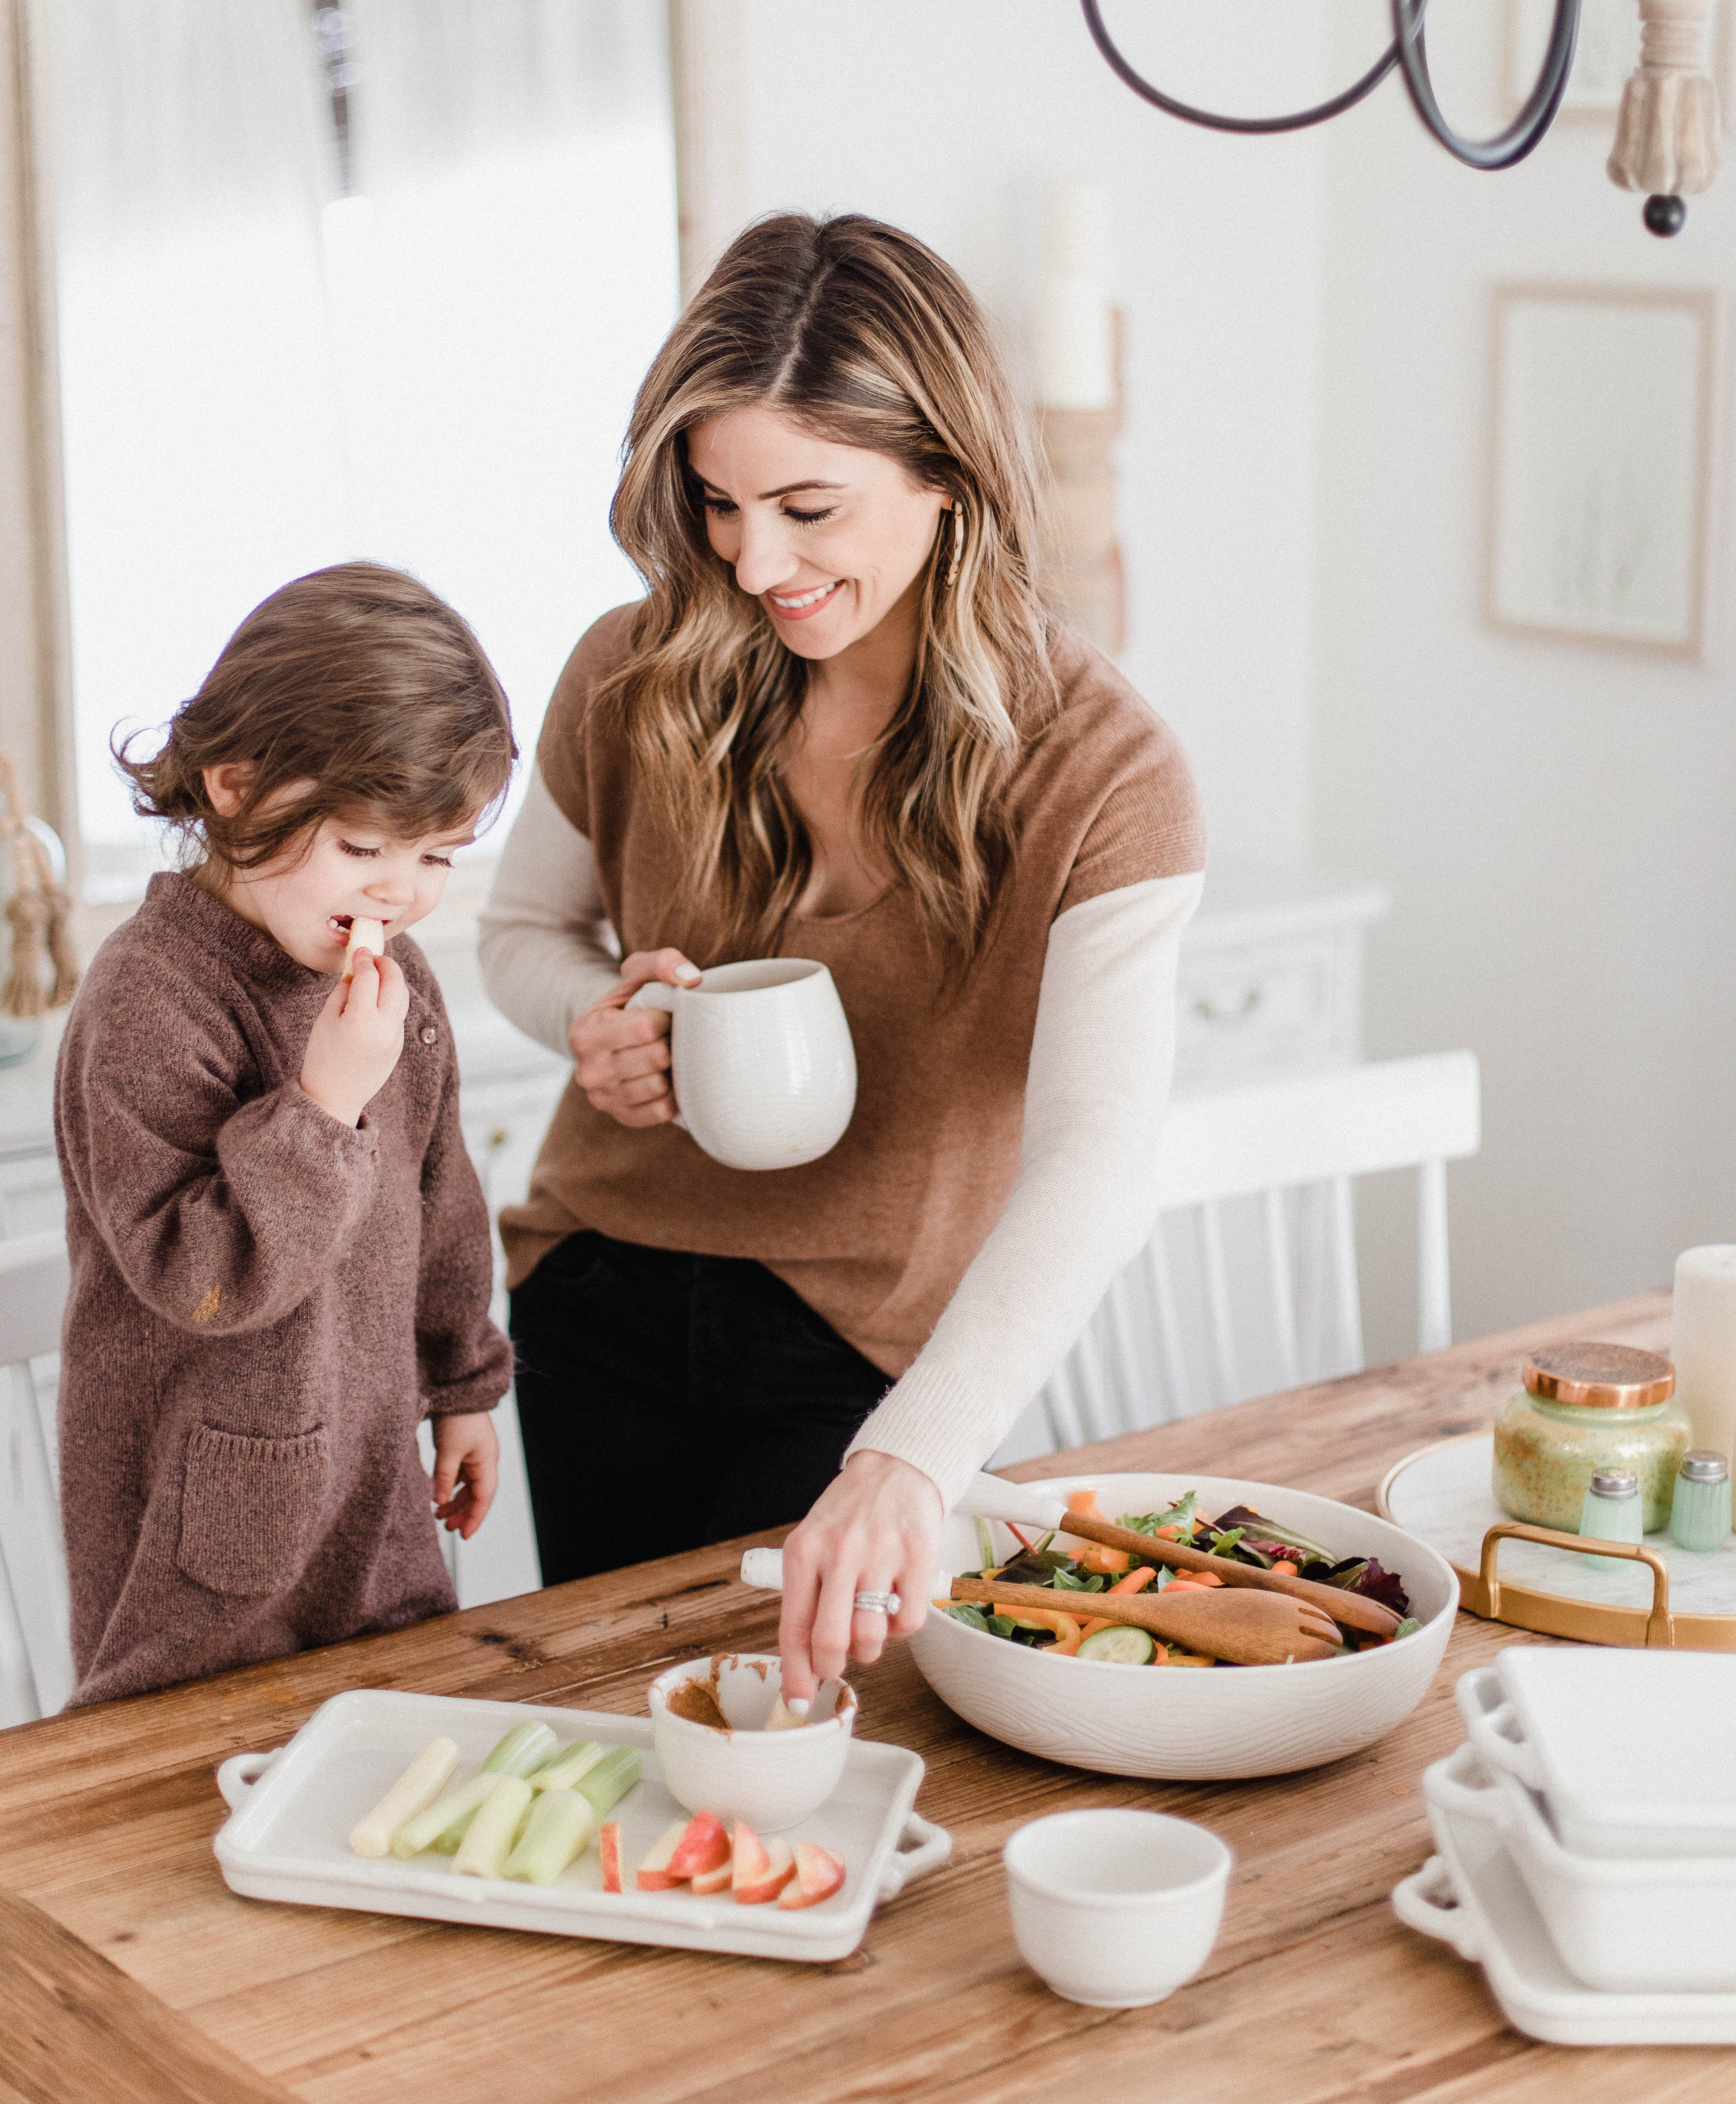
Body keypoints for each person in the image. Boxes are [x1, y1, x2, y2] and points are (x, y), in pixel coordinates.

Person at [480, 212, 1205, 1700]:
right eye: (721, 503)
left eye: (810, 509)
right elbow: (521, 937)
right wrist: (589, 1022)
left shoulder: (1106, 770)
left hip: (871, 1346)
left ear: (945, 474)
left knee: (801, 1741)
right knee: (630, 1737)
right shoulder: (633, 672)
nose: (756, 562)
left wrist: (911, 1464)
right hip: (597, 1293)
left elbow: (1100, 1158)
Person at [56, 563, 516, 1706]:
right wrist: (320, 1111)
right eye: (367, 849)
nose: (404, 893)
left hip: (372, 1505)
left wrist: (461, 1383)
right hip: (204, 1549)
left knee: (395, 1752)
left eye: (438, 856)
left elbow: (440, 1200)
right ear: (235, 788)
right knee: (173, 1795)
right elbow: (198, 1276)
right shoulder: (149, 999)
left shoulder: (397, 984)